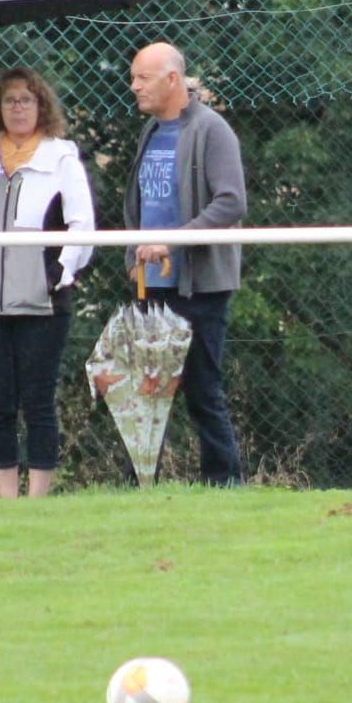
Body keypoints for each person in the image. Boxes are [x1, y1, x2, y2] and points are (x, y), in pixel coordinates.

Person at [0, 68, 95, 498]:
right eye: (10, 100)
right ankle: (8, 498)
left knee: (38, 399)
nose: (18, 108)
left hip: (42, 302)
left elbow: (83, 224)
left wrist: (58, 275)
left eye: (27, 99)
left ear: (41, 105)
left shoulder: (60, 158)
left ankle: (39, 496)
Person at [123, 42, 246, 486]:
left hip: (200, 286)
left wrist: (170, 245)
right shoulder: (151, 132)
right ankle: (137, 488)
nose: (134, 86)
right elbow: (141, 206)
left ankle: (225, 483)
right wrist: (134, 257)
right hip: (150, 284)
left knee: (202, 392)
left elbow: (231, 202)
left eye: (143, 77)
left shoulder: (213, 130)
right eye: (134, 77)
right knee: (144, 392)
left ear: (172, 80)